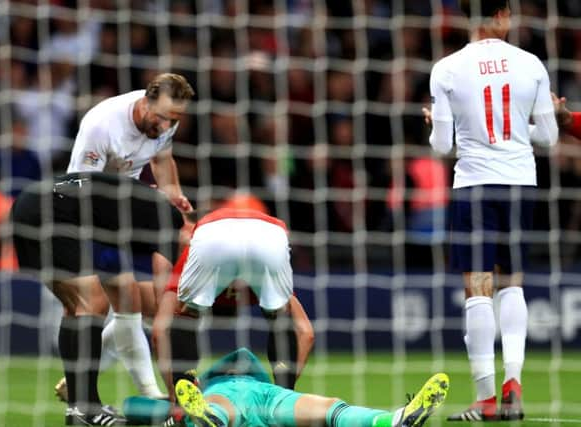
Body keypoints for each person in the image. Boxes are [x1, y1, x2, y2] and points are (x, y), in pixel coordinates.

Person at [424, 0, 558, 421]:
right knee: (512, 284)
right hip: (520, 183)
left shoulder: (447, 68)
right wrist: (523, 126)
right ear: (502, 14)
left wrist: (434, 124)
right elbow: (549, 137)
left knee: (477, 288)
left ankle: (484, 399)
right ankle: (513, 387)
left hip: (474, 185)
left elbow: (443, 146)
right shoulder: (531, 64)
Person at [54, 72, 196, 403]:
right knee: (91, 305)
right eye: (160, 117)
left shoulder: (166, 122)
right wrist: (134, 193)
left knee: (128, 300)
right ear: (145, 101)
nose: (165, 126)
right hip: (79, 212)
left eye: (173, 120)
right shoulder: (102, 124)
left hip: (118, 213)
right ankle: (81, 396)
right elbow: (77, 185)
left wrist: (173, 195)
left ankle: (146, 393)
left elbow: (163, 160)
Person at [11, 172, 186, 425]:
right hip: (51, 211)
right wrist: (178, 392)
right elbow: (163, 300)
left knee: (76, 307)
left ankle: (78, 411)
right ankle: (87, 409)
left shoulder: (138, 211)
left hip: (28, 205)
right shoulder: (170, 221)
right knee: (91, 302)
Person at [152, 206, 315, 401]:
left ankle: (184, 403)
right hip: (271, 233)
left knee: (186, 315)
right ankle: (281, 401)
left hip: (214, 234)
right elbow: (306, 333)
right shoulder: (260, 277)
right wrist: (279, 389)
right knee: (280, 316)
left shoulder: (188, 261)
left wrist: (173, 393)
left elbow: (159, 331)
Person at [160, 348, 449, 427]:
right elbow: (244, 356)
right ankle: (390, 421)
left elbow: (138, 406)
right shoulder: (237, 377)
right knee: (329, 410)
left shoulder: (205, 387)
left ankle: (211, 420)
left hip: (220, 398)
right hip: (269, 396)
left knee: (221, 410)